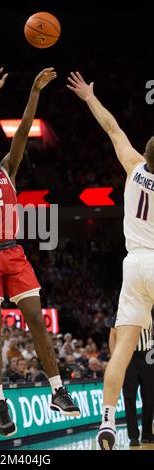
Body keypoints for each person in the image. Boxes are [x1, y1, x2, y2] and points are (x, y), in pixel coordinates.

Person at [0, 62, 80, 437]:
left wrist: (35, 92)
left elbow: (24, 131)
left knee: (38, 322)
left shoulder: (8, 170)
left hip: (14, 254)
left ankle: (57, 389)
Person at [67, 71, 154, 450]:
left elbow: (111, 126)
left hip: (132, 264)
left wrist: (88, 96)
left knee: (122, 348)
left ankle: (106, 421)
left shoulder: (134, 167)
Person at [109, 314, 154, 447]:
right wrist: (114, 358)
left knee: (150, 397)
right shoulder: (123, 310)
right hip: (128, 356)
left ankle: (147, 434)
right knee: (129, 397)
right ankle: (133, 436)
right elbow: (112, 334)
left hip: (148, 355)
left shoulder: (150, 309)